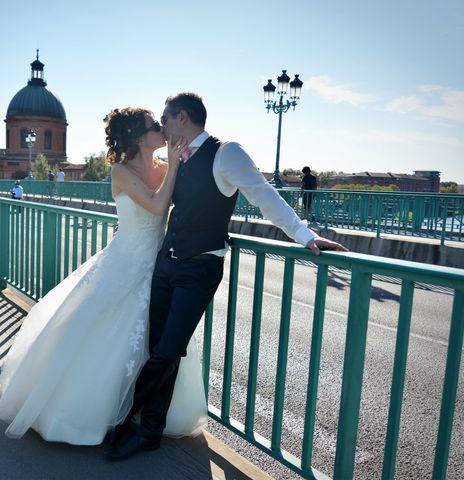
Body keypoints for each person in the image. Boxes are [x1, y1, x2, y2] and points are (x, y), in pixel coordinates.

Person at [106, 92, 348, 461]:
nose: (161, 128)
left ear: (182, 118)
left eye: (165, 121)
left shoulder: (227, 153)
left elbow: (264, 195)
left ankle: (134, 426)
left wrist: (304, 234)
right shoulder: (176, 157)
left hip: (199, 268)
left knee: (167, 350)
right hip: (165, 264)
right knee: (159, 350)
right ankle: (147, 427)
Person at [0, 107, 207, 445]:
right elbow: (155, 205)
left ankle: (144, 412)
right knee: (105, 335)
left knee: (157, 341)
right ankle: (86, 414)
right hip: (126, 261)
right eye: (154, 125)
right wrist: (176, 165)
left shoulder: (166, 168)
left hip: (159, 264)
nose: (161, 129)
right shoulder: (120, 171)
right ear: (138, 137)